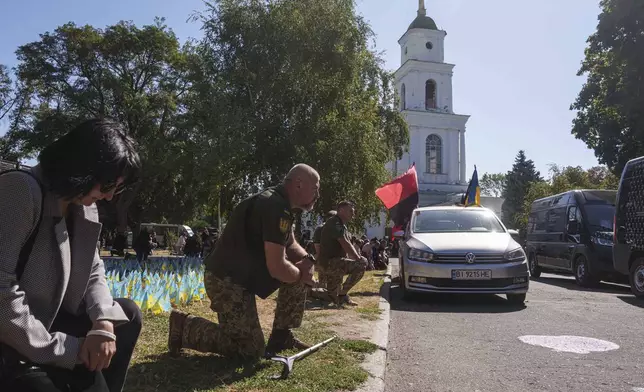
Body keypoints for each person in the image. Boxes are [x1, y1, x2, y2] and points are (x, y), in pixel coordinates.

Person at [0, 118, 143, 392]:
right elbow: (1, 293)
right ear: (81, 168)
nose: (110, 196)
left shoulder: (84, 205)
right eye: (107, 184)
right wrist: (65, 350)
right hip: (13, 331)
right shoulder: (20, 190)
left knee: (126, 315)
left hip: (51, 319)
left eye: (118, 187)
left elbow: (92, 269)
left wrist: (102, 322)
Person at [168, 164, 320, 360]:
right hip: (226, 281)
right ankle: (185, 326)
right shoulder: (275, 206)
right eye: (315, 188)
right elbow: (277, 267)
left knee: (299, 276)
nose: (317, 195)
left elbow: (289, 243)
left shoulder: (281, 204)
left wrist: (306, 260)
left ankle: (281, 337)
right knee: (250, 350)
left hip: (243, 276)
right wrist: (301, 274)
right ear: (299, 184)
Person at [318, 201, 368, 306]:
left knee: (331, 296)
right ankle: (342, 294)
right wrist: (357, 258)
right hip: (330, 262)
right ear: (341, 211)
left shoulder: (342, 225)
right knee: (362, 263)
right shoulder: (334, 222)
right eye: (350, 211)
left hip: (336, 262)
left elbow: (347, 242)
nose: (353, 214)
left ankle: (341, 296)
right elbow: (344, 242)